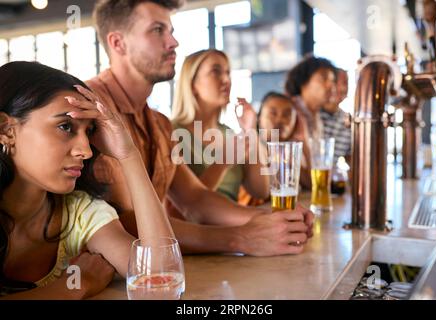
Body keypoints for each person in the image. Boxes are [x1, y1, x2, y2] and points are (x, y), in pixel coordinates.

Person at [88, 0, 314, 256]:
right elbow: (126, 223)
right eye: (157, 30)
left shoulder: (159, 123)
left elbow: (195, 199)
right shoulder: (94, 109)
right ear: (118, 43)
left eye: (171, 31)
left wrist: (274, 219)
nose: (173, 43)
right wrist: (240, 238)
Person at [0, 61, 174, 299]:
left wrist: (128, 155)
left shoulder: (80, 214)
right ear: (7, 130)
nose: (87, 150)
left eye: (90, 131)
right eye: (65, 126)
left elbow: (161, 281)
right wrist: (73, 286)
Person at [171, 49, 269, 203]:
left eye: (228, 73)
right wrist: (224, 162)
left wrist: (250, 130)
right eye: (215, 72)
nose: (226, 79)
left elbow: (260, 190)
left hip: (237, 223)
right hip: (201, 226)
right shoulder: (171, 131)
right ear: (192, 85)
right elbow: (184, 205)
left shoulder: (229, 133)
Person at [285, 55, 336, 189]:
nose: (331, 85)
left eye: (332, 80)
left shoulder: (316, 116)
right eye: (323, 78)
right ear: (303, 82)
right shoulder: (288, 113)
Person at [320, 68, 351, 163]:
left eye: (345, 83)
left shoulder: (348, 121)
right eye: (336, 82)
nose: (342, 88)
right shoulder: (311, 115)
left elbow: (352, 161)